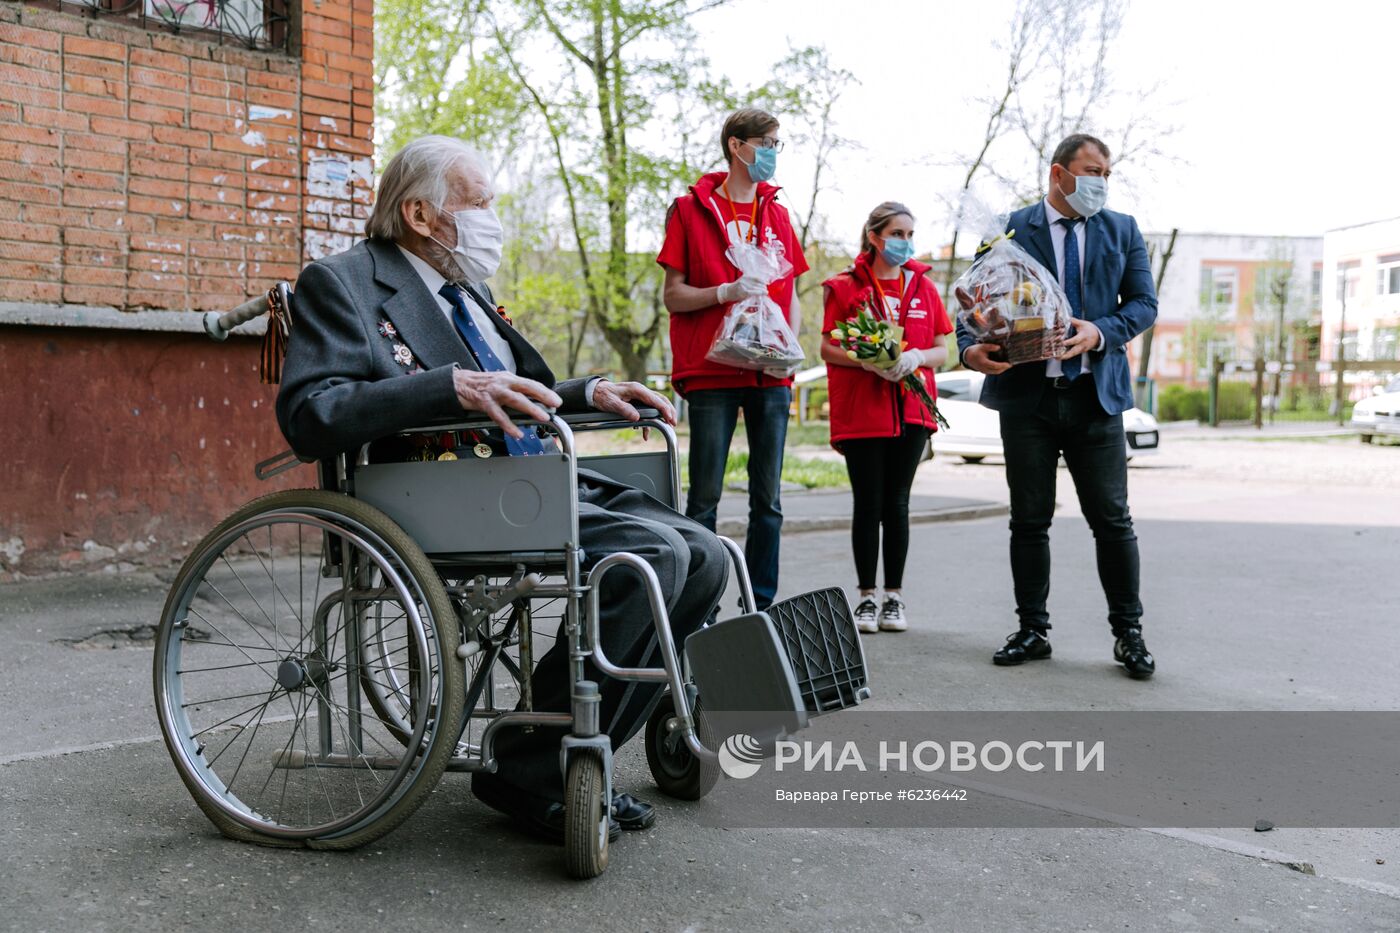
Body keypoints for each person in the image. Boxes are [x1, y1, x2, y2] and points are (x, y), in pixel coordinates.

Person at [275, 135, 730, 841]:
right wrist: (445, 386)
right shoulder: (343, 282)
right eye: (478, 204)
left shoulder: (468, 289)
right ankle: (530, 763)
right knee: (652, 557)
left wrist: (591, 390)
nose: (492, 219)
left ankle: (582, 751)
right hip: (439, 490)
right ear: (421, 214)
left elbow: (521, 388)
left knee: (704, 553)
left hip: (524, 473)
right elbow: (311, 413)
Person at [956, 133, 1158, 678]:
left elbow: (1144, 304)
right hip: (1029, 400)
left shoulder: (1122, 229)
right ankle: (1032, 629)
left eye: (1107, 174)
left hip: (1096, 399)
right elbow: (972, 303)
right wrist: (970, 349)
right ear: (1058, 173)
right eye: (1092, 170)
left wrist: (1100, 331)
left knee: (1113, 521)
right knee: (1028, 521)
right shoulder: (1007, 229)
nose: (1101, 182)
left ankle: (1129, 633)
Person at [657, 107, 809, 610]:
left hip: (770, 374)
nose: (771, 153)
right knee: (704, 500)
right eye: (765, 142)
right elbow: (674, 296)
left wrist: (790, 349)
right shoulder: (690, 210)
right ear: (736, 146)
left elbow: (793, 296)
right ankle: (698, 605)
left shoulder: (779, 214)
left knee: (769, 501)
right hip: (711, 371)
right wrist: (725, 291)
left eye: (776, 144)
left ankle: (760, 605)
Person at [821, 203, 951, 633]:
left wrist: (914, 357)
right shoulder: (844, 287)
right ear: (874, 236)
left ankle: (893, 598)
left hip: (912, 413)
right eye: (897, 233)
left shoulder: (924, 287)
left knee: (897, 504)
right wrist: (869, 362)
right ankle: (865, 599)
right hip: (864, 412)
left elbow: (941, 349)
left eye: (910, 234)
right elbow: (828, 348)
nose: (905, 242)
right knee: (868, 503)